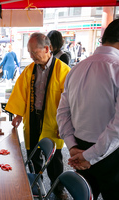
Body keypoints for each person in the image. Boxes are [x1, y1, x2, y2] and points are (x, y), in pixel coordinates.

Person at [56, 19, 119, 200]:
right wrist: (88, 156)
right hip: (110, 154)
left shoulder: (77, 68)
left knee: (83, 196)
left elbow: (62, 112)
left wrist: (73, 147)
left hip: (80, 148)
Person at [5, 32, 70, 200]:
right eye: (29, 52)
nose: (31, 56)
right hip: (33, 117)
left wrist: (66, 126)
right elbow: (21, 92)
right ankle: (36, 184)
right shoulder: (29, 70)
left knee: (54, 158)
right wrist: (18, 114)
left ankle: (58, 188)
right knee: (33, 155)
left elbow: (71, 101)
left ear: (47, 49)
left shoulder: (63, 71)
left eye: (34, 52)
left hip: (54, 122)